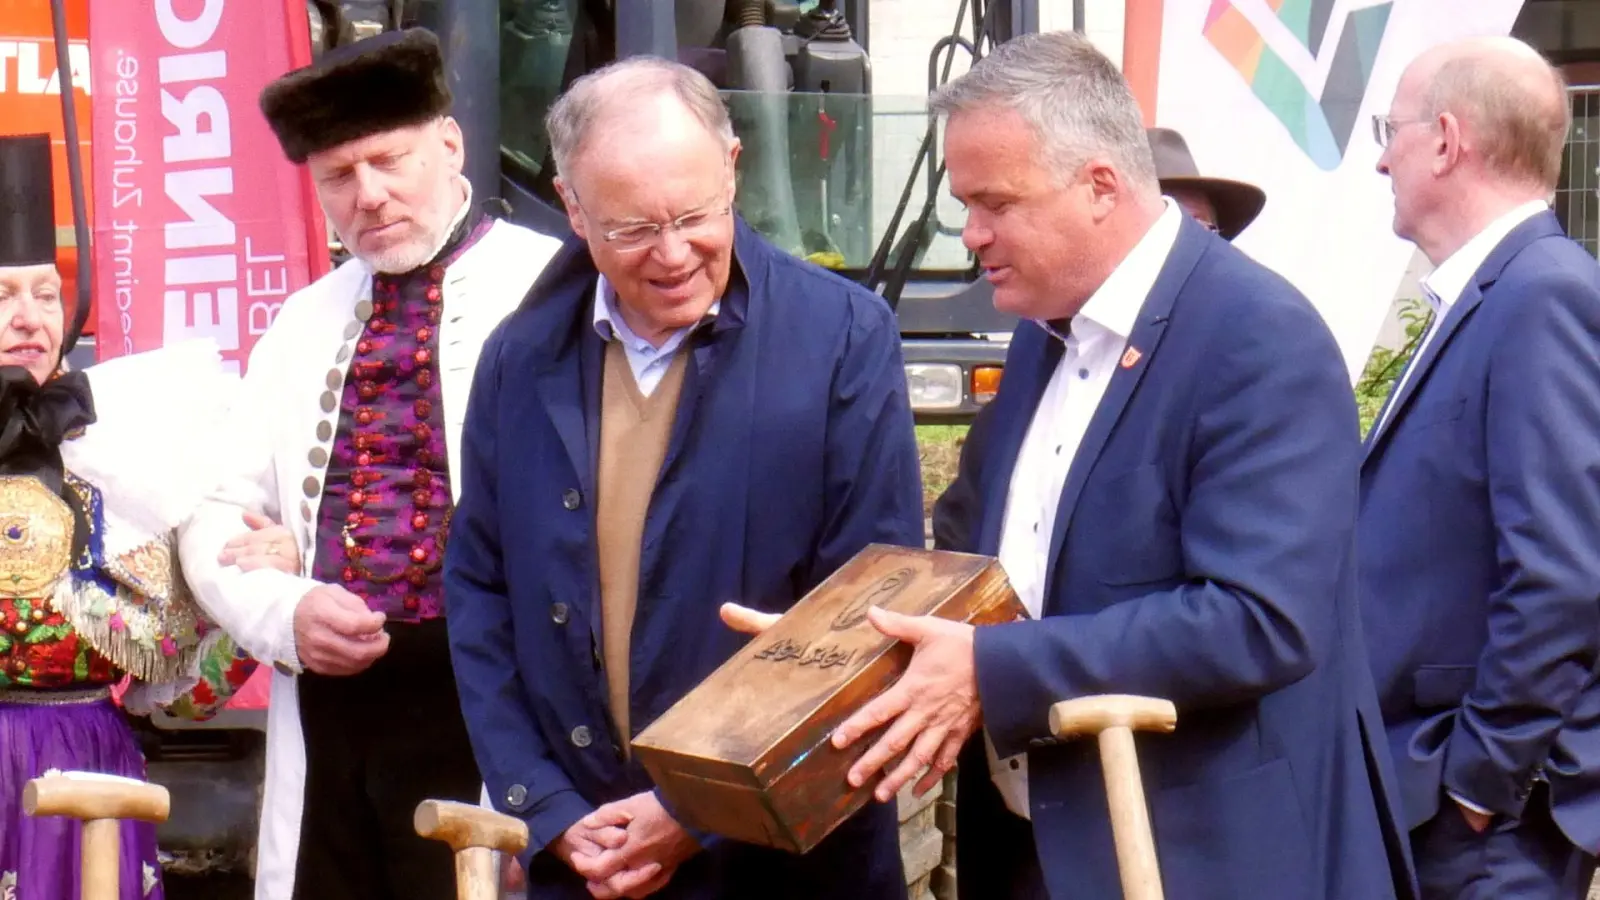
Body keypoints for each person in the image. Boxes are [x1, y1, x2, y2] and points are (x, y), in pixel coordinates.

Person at [732, 31, 1413, 899]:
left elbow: (1261, 619)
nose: (973, 234)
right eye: (963, 203)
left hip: (1201, 860)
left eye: (996, 203)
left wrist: (990, 669)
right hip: (1034, 847)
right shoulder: (1045, 332)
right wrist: (836, 638)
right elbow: (973, 552)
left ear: (1101, 186)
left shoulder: (1256, 338)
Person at [442, 55, 924, 900]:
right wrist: (546, 806)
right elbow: (480, 593)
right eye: (631, 229)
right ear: (573, 210)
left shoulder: (843, 337)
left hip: (785, 866)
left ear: (733, 167)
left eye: (696, 215)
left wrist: (694, 812)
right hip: (586, 860)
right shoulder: (519, 361)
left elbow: (869, 610)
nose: (672, 254)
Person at [175, 28, 563, 900]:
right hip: (333, 712)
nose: (371, 196)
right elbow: (214, 510)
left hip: (495, 705)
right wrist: (284, 607)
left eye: (390, 161)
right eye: (339, 178)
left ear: (451, 144)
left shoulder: (553, 294)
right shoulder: (301, 322)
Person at [0, 134, 295, 899]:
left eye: (45, 292)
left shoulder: (127, 442)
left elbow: (199, 680)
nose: (30, 316)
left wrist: (270, 583)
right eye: (3, 295)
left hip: (87, 755)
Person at [1360, 36, 1600, 898]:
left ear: (1447, 140)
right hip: (1436, 797)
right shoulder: (1492, 292)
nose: (1382, 157)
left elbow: (1563, 575)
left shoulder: (1544, 295)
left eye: (1391, 129)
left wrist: (1478, 782)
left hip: (1484, 830)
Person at [930, 124, 1267, 554]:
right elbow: (968, 520)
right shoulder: (1039, 339)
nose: (974, 234)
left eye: (1199, 228)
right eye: (1166, 223)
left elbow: (1249, 607)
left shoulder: (1249, 348)